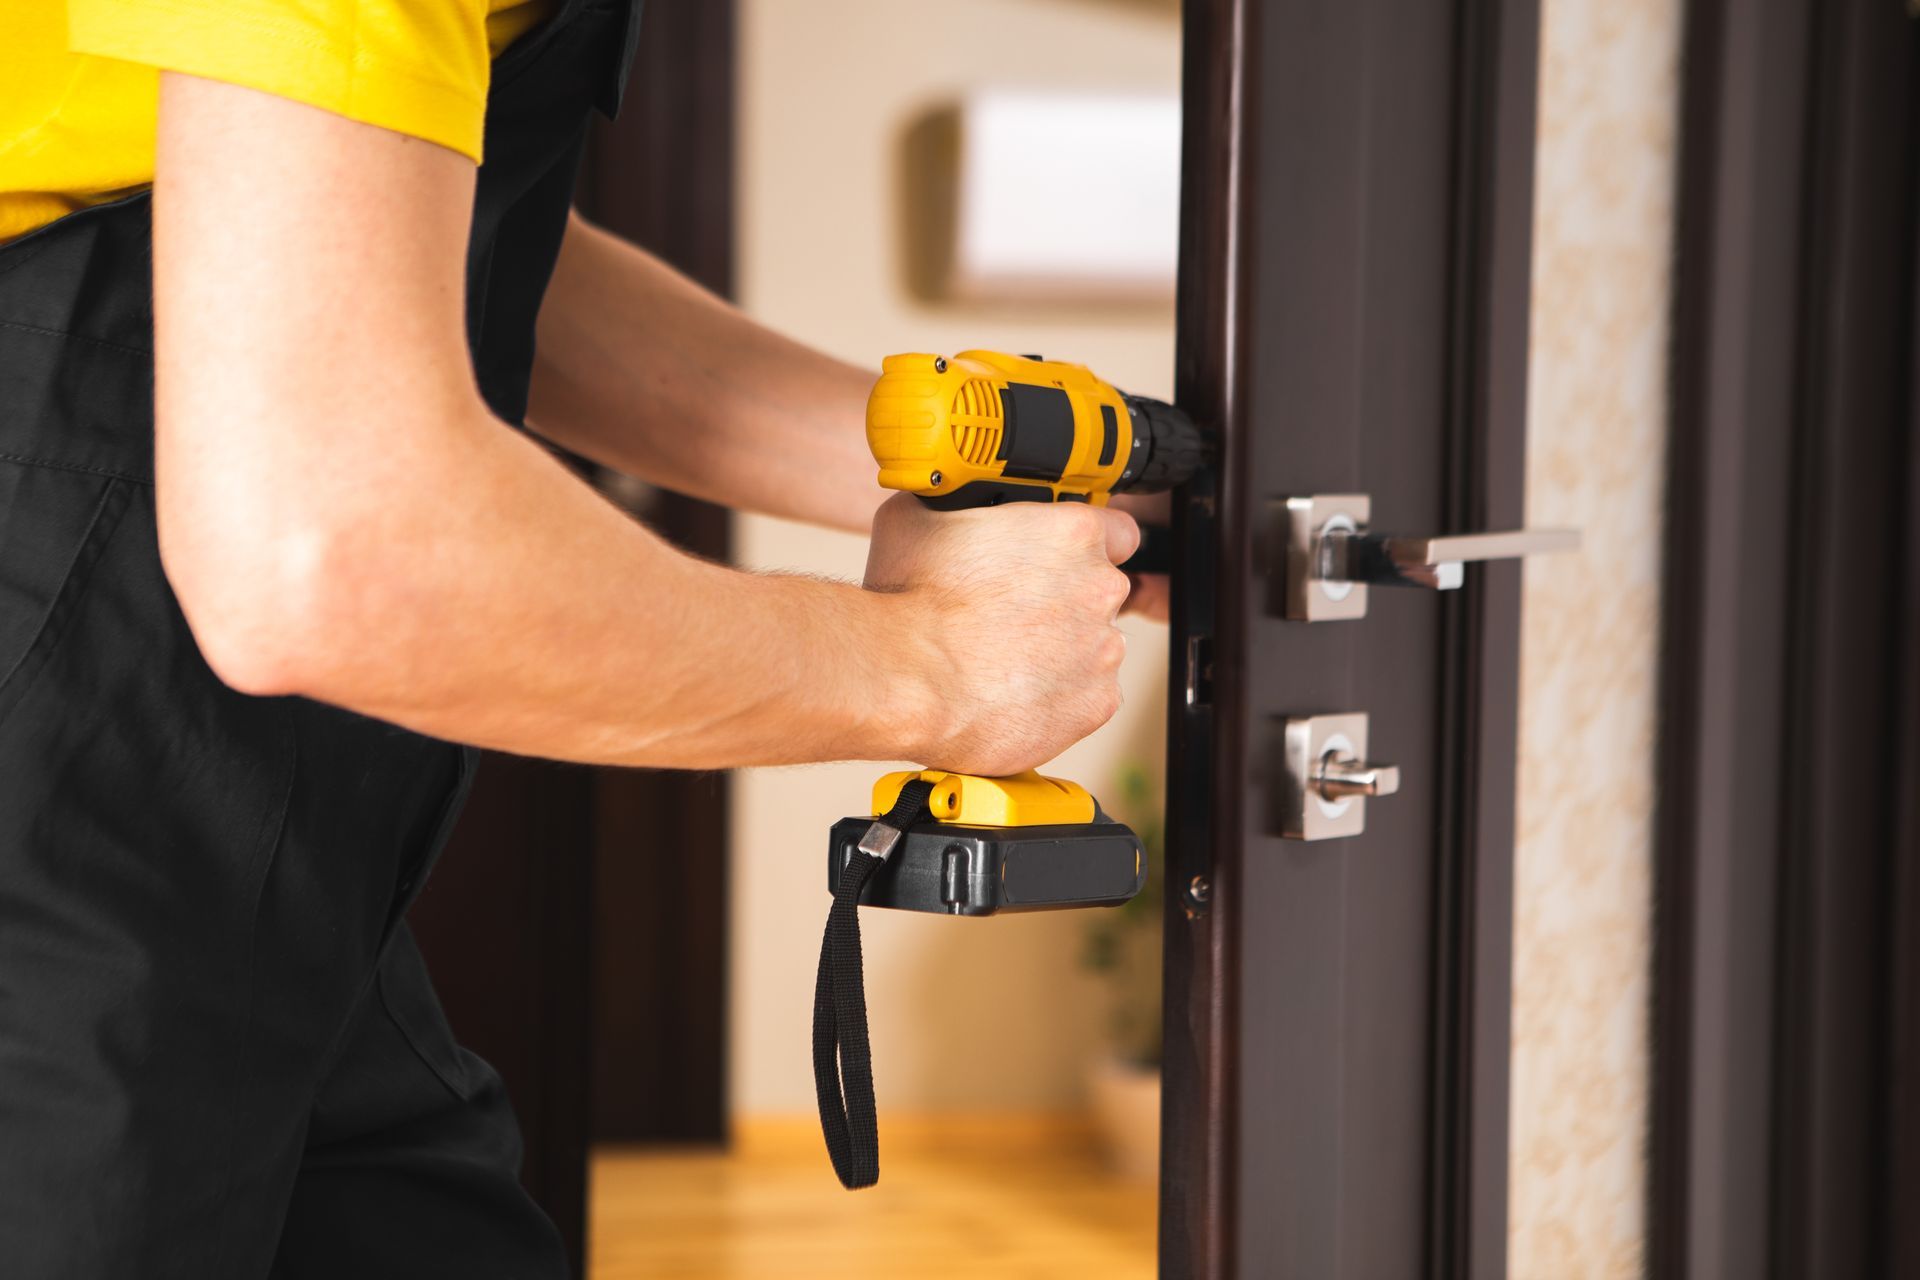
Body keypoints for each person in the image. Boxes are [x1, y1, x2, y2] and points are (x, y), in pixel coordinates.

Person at [0, 1, 1157, 1275]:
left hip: (245, 846)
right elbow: (327, 555)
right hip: (62, 797)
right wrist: (936, 664)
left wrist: (968, 462)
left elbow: (391, 243)